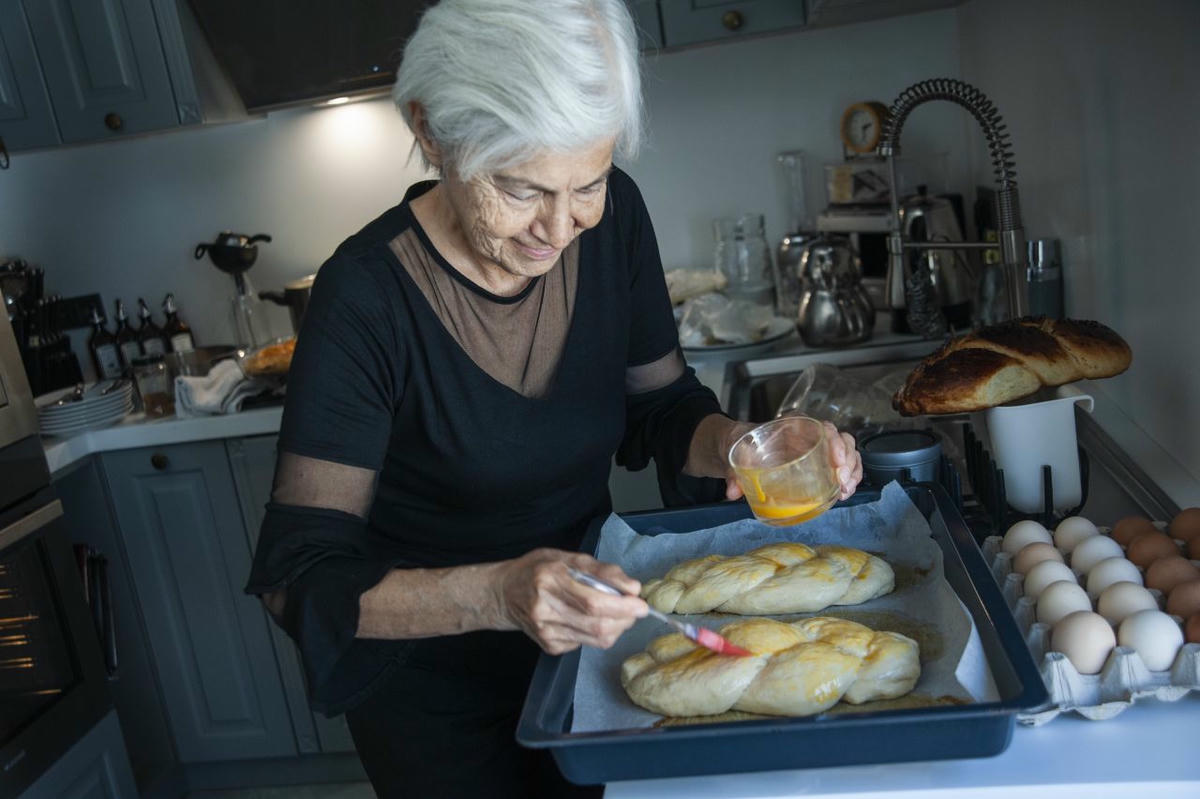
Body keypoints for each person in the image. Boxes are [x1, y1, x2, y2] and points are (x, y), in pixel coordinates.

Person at [245, 1, 863, 796]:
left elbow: (663, 406)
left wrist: (743, 444)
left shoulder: (613, 224)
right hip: (436, 701)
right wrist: (497, 592)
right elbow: (297, 578)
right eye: (519, 187)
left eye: (588, 184)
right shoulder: (365, 298)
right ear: (431, 133)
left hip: (591, 654)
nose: (560, 228)